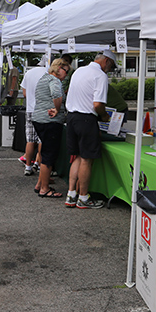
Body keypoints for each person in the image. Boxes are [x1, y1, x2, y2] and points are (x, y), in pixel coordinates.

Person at [64, 51, 116, 209]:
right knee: (86, 159)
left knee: (77, 157)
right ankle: (83, 197)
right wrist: (105, 116)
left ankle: (71, 194)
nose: (110, 70)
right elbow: (97, 104)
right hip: (86, 119)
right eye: (111, 66)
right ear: (106, 61)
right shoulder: (100, 76)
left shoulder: (79, 70)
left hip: (71, 117)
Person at [31, 58, 71, 198]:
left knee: (45, 152)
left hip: (38, 118)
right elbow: (56, 95)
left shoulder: (43, 79)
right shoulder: (54, 81)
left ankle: (40, 184)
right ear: (59, 68)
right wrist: (57, 109)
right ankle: (44, 188)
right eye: (66, 71)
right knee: (49, 155)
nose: (66, 74)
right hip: (50, 121)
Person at [20, 63, 46, 176]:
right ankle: (39, 164)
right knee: (41, 140)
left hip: (30, 109)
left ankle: (28, 166)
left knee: (30, 139)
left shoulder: (29, 73)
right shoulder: (48, 73)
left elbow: (24, 94)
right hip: (42, 109)